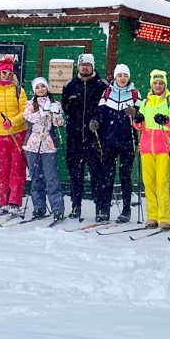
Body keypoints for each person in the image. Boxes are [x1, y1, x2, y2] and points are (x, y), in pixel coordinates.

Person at [134, 70, 170, 229]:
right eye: (155, 83)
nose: (158, 85)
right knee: (149, 183)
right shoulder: (145, 102)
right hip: (147, 147)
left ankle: (165, 218)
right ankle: (152, 216)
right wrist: (137, 121)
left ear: (165, 84)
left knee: (162, 183)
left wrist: (166, 120)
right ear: (151, 85)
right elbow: (139, 125)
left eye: (161, 83)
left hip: (164, 147)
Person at [61, 53, 105, 220]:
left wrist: (97, 123)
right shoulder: (70, 85)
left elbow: (105, 110)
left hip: (94, 138)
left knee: (97, 175)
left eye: (88, 65)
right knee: (75, 175)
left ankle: (100, 207)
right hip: (74, 138)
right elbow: (65, 108)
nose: (84, 67)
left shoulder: (102, 85)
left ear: (93, 67)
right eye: (82, 65)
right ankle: (75, 206)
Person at [96, 64, 142, 223]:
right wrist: (95, 122)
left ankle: (126, 209)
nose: (122, 78)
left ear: (129, 77)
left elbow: (142, 117)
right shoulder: (107, 93)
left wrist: (135, 113)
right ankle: (104, 209)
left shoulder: (135, 94)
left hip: (128, 142)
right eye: (119, 75)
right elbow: (100, 113)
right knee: (107, 176)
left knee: (125, 177)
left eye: (125, 76)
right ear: (115, 77)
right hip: (109, 141)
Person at [0, 55, 28, 214]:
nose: (7, 76)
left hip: (17, 133)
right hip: (0, 135)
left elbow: (25, 113)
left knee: (17, 168)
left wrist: (12, 121)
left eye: (9, 73)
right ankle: (4, 201)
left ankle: (15, 201)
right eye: (4, 73)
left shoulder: (18, 90)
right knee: (4, 169)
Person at [23, 76, 66, 221]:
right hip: (32, 145)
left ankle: (58, 209)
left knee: (51, 178)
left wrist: (55, 113)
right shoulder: (30, 104)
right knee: (35, 178)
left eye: (43, 86)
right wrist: (42, 112)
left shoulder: (55, 103)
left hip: (48, 146)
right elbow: (29, 118)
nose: (41, 89)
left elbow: (59, 123)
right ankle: (38, 208)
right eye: (37, 87)